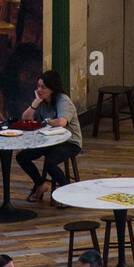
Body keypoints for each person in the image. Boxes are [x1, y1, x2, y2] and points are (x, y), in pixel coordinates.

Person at [17, 70, 82, 203]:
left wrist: (45, 121)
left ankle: (66, 194)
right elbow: (25, 119)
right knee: (22, 157)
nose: (39, 90)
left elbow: (61, 122)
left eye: (43, 87)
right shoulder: (41, 101)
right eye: (38, 87)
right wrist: (35, 103)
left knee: (50, 162)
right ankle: (40, 183)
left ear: (52, 89)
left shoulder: (62, 100)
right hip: (48, 141)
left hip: (69, 142)